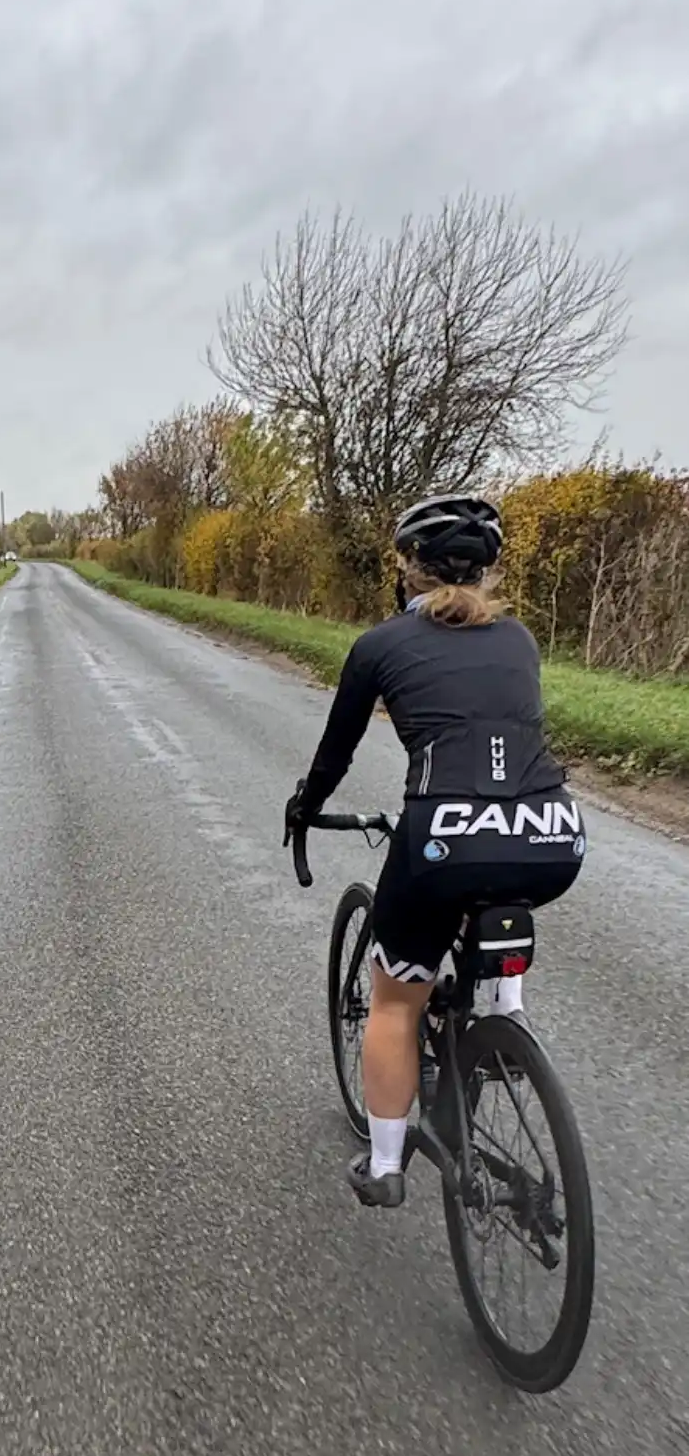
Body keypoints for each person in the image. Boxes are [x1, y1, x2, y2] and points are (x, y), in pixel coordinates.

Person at [284, 494, 585, 1208]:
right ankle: (505, 1012)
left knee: (394, 999)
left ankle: (385, 1164)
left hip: (443, 839)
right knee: (497, 900)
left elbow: (336, 752)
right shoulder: (519, 640)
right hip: (553, 836)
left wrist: (308, 806)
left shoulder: (381, 644)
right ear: (487, 571)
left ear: (405, 569)